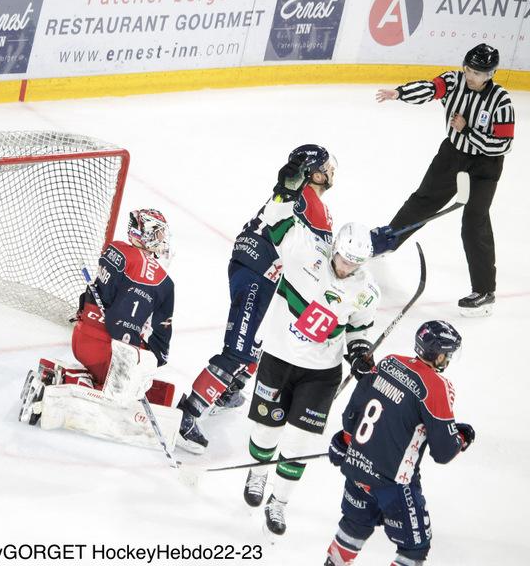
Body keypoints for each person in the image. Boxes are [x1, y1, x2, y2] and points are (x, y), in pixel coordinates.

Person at [239, 163, 380, 537]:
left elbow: (358, 330)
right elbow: (274, 222)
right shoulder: (306, 250)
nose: (348, 267)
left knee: (300, 441)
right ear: (335, 247)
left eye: (356, 263)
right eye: (346, 258)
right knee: (266, 430)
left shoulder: (365, 290)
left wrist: (360, 354)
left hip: (321, 373)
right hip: (279, 359)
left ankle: (280, 502)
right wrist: (284, 193)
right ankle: (256, 475)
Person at [177, 145, 336, 455]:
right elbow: (323, 259)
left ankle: (228, 390)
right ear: (315, 174)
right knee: (239, 349)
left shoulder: (295, 193)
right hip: (258, 272)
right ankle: (188, 413)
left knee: (259, 343)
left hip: (255, 267)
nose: (332, 171)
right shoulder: (314, 203)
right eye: (327, 167)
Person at [17, 209, 179, 448]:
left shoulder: (117, 249)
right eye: (157, 232)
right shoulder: (152, 274)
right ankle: (70, 381)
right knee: (125, 387)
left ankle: (67, 377)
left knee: (129, 366)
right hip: (104, 348)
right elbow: (122, 326)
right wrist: (135, 364)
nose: (161, 239)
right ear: (145, 233)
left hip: (82, 336)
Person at [374, 43, 514, 317]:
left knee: (475, 221)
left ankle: (484, 291)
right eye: (469, 69)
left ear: (491, 74)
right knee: (422, 201)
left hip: (485, 166)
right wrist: (399, 93)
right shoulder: (454, 80)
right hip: (452, 155)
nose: (471, 76)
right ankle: (387, 241)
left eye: (478, 73)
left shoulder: (501, 101)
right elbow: (430, 88)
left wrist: (468, 131)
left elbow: (503, 145)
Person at [324, 320, 475, 566]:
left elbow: (354, 408)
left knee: (354, 527)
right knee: (413, 549)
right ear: (436, 354)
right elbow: (444, 451)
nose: (447, 359)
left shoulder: (389, 362)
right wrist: (462, 437)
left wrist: (345, 439)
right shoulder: (436, 386)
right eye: (446, 354)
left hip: (357, 469)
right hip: (394, 484)